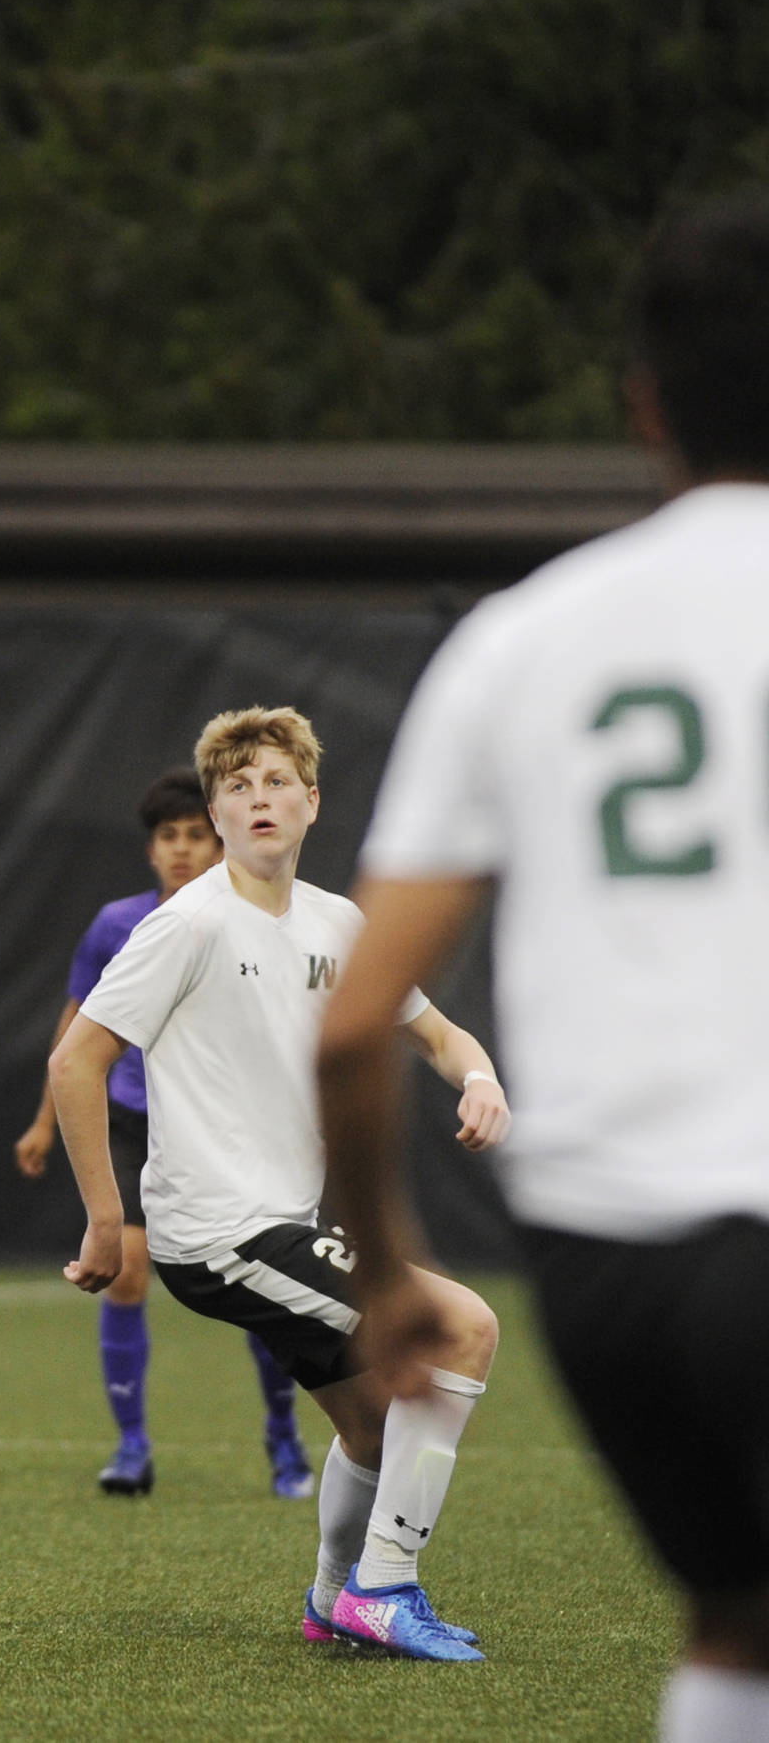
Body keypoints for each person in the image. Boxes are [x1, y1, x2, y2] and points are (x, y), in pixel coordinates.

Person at [316, 198, 769, 1738]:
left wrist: (386, 1272)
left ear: (644, 405)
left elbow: (351, 1027)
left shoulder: (527, 638)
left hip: (611, 1253)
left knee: (731, 1624)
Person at [49, 706, 511, 1662]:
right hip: (220, 1232)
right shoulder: (188, 924)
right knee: (461, 1328)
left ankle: (335, 1598)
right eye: (237, 786)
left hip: (278, 1225)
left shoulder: (339, 921)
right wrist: (104, 1218)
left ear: (312, 802)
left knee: (376, 1426)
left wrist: (480, 1077)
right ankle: (386, 1588)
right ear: (216, 814)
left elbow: (438, 1035)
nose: (258, 798)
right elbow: (75, 1061)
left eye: (276, 782)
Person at [15, 767, 315, 1499]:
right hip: (132, 1117)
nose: (182, 849)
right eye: (167, 837)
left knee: (268, 1283)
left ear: (220, 843)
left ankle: (284, 1437)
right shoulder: (118, 925)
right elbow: (78, 1031)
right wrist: (45, 1121)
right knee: (125, 1271)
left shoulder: (258, 918)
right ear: (151, 850)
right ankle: (132, 1445)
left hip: (223, 1128)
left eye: (194, 836)